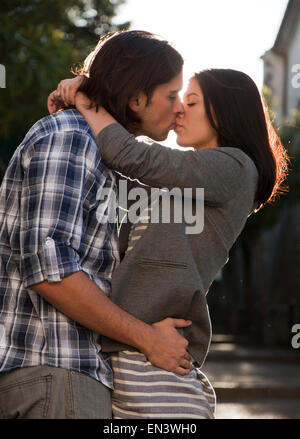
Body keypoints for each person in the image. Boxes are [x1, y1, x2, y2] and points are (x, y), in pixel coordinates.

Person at [52, 63, 289, 419]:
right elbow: (118, 179)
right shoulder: (186, 186)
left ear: (225, 113)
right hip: (131, 350)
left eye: (191, 102)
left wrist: (90, 102)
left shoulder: (236, 167)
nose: (179, 108)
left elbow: (134, 157)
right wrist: (83, 107)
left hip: (156, 363)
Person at [0, 31, 194, 420]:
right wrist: (149, 340)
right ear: (137, 99)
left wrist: (84, 95)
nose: (178, 109)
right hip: (54, 370)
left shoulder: (97, 150)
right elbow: (50, 270)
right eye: (172, 95)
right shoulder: (71, 138)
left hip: (62, 375)